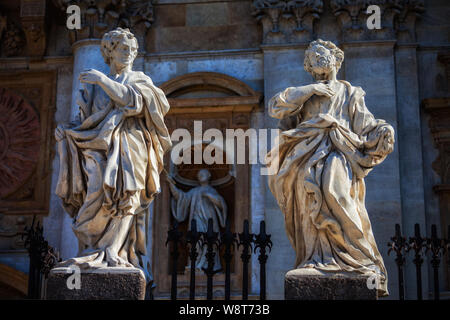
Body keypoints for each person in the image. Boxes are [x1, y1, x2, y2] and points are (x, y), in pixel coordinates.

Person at [266, 39, 395, 297]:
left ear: (336, 59)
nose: (317, 59)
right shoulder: (304, 94)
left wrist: (382, 130)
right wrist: (309, 90)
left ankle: (359, 255)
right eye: (312, 58)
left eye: (321, 54)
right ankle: (315, 257)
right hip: (307, 152)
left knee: (335, 189)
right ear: (309, 66)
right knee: (307, 198)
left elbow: (366, 125)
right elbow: (275, 108)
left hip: (339, 149)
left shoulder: (351, 93)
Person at [54, 28, 171, 289]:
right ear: (110, 52)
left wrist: (102, 81)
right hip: (98, 147)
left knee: (127, 193)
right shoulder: (96, 86)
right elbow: (86, 121)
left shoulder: (138, 78)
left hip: (130, 144)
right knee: (96, 186)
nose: (129, 54)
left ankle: (112, 252)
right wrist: (67, 130)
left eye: (132, 50)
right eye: (123, 49)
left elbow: (135, 102)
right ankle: (91, 249)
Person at [167, 169, 227, 271]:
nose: (200, 176)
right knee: (197, 240)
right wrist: (170, 184)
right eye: (199, 174)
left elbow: (222, 205)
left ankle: (208, 265)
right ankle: (196, 264)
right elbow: (181, 197)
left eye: (203, 174)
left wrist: (210, 196)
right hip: (196, 220)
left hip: (210, 221)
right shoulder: (194, 191)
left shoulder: (212, 191)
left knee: (209, 241)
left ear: (209, 176)